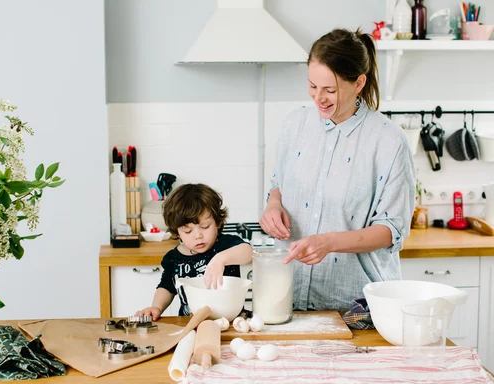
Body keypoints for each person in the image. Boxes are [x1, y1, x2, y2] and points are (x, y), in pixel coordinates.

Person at [259, 28, 415, 312]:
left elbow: (391, 229)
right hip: (290, 298)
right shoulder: (295, 125)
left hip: (356, 307)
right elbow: (277, 184)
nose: (319, 98)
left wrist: (329, 242)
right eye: (312, 86)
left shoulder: (389, 141)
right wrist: (273, 205)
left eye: (330, 90)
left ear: (358, 84)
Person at [136, 183, 252, 321]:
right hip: (191, 324)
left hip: (232, 323)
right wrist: (156, 307)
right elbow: (167, 287)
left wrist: (221, 259)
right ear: (177, 232)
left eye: (205, 227)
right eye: (188, 231)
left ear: (218, 222)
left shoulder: (225, 245)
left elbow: (248, 252)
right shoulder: (174, 258)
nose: (198, 236)